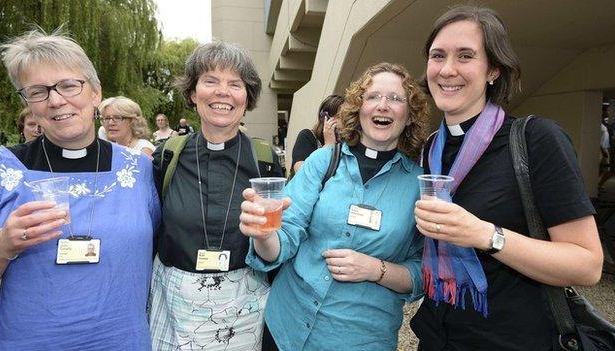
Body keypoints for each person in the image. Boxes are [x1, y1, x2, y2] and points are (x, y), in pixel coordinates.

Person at [409, 5, 604, 350]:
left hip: (515, 339)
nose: (448, 69)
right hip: (440, 336)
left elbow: (587, 265)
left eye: (465, 55)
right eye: (438, 56)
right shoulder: (430, 149)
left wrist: (485, 234)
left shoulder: (536, 139)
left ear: (493, 70)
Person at [240, 62, 429, 350]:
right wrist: (265, 234)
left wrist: (376, 269)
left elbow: (424, 272)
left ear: (409, 113)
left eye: (395, 98)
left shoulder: (418, 185)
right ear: (358, 107)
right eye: (373, 96)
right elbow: (285, 235)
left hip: (359, 339)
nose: (383, 106)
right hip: (286, 326)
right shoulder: (323, 161)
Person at [0, 29, 161, 350]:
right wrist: (2, 246)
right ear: (28, 104)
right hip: (28, 342)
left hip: (121, 341)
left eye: (69, 85)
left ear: (95, 93)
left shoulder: (137, 170)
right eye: (38, 91)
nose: (56, 100)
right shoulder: (0, 171)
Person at [149, 40, 283, 351]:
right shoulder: (166, 157)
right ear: (193, 93)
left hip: (243, 306)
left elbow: (279, 242)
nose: (222, 92)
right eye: (210, 81)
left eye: (235, 84)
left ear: (246, 97)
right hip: (174, 304)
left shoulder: (265, 160)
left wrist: (267, 233)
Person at [290, 94, 344, 174]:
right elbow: (301, 173)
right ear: (325, 118)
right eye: (339, 116)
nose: (344, 122)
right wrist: (328, 146)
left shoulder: (347, 142)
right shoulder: (307, 136)